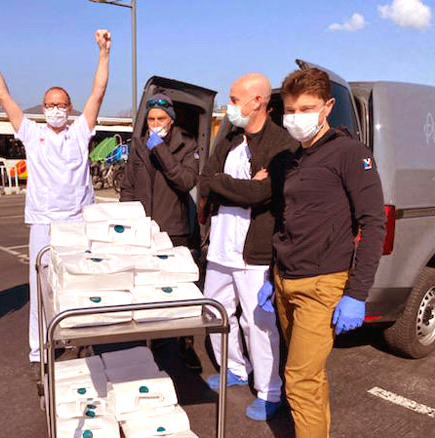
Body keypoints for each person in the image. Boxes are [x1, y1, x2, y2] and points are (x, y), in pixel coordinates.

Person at [0, 29, 111, 371]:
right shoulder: (31, 134)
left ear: (69, 108)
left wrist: (104, 52)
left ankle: (81, 339)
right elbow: (3, 95)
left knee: (80, 284)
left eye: (60, 105)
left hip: (78, 221)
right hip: (43, 224)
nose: (54, 110)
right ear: (43, 107)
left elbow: (98, 91)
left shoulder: (81, 132)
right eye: (49, 105)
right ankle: (39, 350)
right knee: (41, 289)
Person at [259, 68, 386, 437]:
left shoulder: (350, 154)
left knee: (299, 380)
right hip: (285, 281)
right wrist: (272, 275)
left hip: (322, 286)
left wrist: (356, 294)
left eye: (307, 108)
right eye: (291, 109)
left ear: (328, 107)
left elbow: (373, 223)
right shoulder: (290, 159)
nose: (297, 117)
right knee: (308, 377)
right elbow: (285, 220)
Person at [198, 74, 298, 420]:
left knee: (257, 323)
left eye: (235, 98)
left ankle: (270, 390)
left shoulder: (281, 144)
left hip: (254, 251)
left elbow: (262, 193)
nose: (230, 106)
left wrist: (224, 184)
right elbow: (206, 180)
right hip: (220, 247)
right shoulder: (229, 137)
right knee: (215, 311)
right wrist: (234, 185)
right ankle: (234, 368)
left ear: (258, 101)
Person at [119, 93, 202, 372]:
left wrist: (162, 152)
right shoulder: (139, 145)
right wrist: (126, 221)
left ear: (172, 120)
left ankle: (185, 343)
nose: (155, 124)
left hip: (174, 230)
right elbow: (128, 185)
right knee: (147, 287)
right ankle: (150, 342)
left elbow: (185, 181)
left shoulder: (187, 145)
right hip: (143, 229)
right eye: (151, 119)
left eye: (161, 119)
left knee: (178, 288)